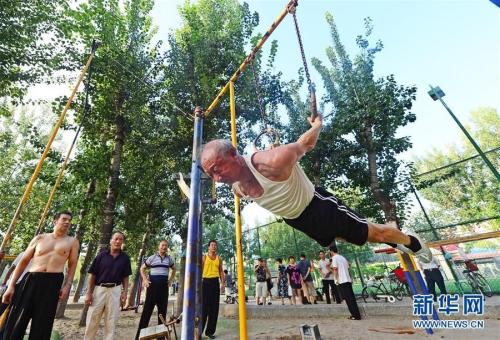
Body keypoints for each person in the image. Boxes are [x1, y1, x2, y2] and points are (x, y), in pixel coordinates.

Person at [200, 114, 432, 263]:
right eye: (211, 175)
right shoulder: (237, 187)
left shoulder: (272, 162)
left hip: (318, 206)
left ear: (234, 154)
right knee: (346, 238)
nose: (217, 178)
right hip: (296, 220)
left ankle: (411, 242)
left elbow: (305, 144)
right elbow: (244, 190)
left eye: (217, 168)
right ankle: (394, 237)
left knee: (372, 234)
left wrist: (317, 125)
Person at [2, 211, 79, 340]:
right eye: (64, 219)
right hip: (31, 279)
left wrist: (67, 285)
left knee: (43, 322)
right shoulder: (40, 238)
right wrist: (11, 286)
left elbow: (72, 265)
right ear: (55, 221)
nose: (67, 222)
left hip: (52, 282)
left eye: (69, 220)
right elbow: (23, 262)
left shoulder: (72, 242)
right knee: (17, 318)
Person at [84, 231, 132, 340]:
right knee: (92, 319)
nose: (118, 241)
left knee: (111, 320)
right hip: (99, 290)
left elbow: (125, 277)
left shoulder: (125, 258)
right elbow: (93, 275)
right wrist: (88, 293)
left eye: (120, 239)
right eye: (116, 239)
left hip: (115, 290)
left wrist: (125, 292)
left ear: (122, 242)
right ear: (111, 240)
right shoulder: (101, 256)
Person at [135, 240, 176, 340]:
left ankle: (161, 338)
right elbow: (142, 268)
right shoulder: (152, 258)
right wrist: (145, 279)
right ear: (159, 247)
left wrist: (170, 280)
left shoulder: (169, 259)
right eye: (162, 245)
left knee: (162, 314)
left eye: (166, 246)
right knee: (146, 313)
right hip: (152, 289)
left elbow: (174, 269)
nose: (164, 247)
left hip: (163, 289)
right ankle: (138, 337)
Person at [330, 246, 361, 320]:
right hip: (347, 280)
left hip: (342, 281)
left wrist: (335, 279)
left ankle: (354, 315)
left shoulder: (334, 258)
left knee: (348, 299)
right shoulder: (343, 257)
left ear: (331, 251)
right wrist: (350, 277)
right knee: (352, 298)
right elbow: (348, 268)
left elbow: (335, 269)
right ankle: (356, 314)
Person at [201, 240, 224, 339]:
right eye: (212, 245)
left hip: (215, 283)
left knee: (214, 308)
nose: (214, 247)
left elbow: (221, 271)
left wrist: (222, 283)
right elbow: (199, 270)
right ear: (208, 247)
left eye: (215, 245)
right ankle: (199, 331)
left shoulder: (219, 258)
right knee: (204, 308)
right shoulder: (204, 257)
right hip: (205, 282)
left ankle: (210, 332)